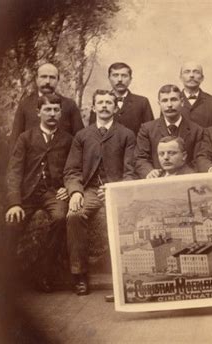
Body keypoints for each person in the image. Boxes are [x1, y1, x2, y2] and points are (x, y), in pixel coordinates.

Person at [64, 90, 136, 296]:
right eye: (100, 103)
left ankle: (123, 277)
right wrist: (76, 192)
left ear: (115, 108)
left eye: (109, 103)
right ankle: (80, 275)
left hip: (116, 189)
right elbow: (72, 170)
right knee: (74, 215)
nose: (104, 106)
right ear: (94, 108)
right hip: (90, 190)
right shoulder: (82, 136)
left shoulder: (126, 134)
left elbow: (130, 171)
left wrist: (116, 189)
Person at [5, 94, 73, 292]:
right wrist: (14, 202)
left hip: (53, 192)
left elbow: (74, 167)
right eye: (47, 110)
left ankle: (44, 272)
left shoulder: (68, 139)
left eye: (56, 110)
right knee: (11, 222)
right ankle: (5, 276)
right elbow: (15, 171)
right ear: (38, 112)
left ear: (60, 113)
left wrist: (67, 187)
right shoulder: (25, 138)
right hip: (28, 193)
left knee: (60, 218)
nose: (52, 114)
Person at [134, 84, 204, 178]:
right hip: (156, 182)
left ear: (182, 102)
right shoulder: (147, 129)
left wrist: (181, 175)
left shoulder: (196, 130)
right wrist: (150, 172)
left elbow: (199, 160)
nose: (169, 105)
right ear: (159, 104)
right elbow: (140, 158)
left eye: (174, 99)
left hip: (186, 181)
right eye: (164, 100)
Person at [10, 62, 83, 147]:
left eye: (52, 77)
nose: (47, 81)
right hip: (32, 158)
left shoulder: (69, 105)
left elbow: (80, 139)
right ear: (36, 79)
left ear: (57, 80)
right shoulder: (25, 105)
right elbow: (15, 139)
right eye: (43, 77)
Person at [89, 62, 154, 135]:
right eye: (115, 75)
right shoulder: (99, 101)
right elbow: (92, 132)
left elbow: (150, 132)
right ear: (109, 78)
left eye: (124, 76)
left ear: (130, 79)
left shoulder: (142, 102)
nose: (120, 79)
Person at [178, 61, 212, 128]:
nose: (191, 75)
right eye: (187, 72)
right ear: (180, 77)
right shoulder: (170, 102)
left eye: (196, 72)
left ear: (202, 78)